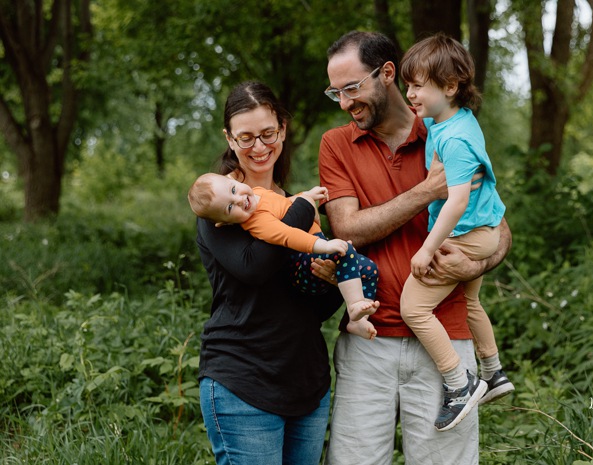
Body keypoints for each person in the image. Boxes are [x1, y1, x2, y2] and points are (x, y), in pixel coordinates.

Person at [314, 31, 512, 464]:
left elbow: (497, 225)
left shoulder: (447, 128)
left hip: (446, 339)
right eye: (337, 92)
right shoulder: (337, 144)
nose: (345, 102)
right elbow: (347, 228)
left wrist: (474, 263)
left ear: (386, 74)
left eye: (352, 88)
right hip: (368, 342)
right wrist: (426, 191)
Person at [194, 80, 344, 465]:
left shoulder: (291, 202)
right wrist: (302, 210)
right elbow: (256, 267)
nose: (259, 148)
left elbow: (317, 304)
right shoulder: (220, 205)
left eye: (267, 134)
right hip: (243, 381)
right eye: (246, 138)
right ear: (229, 139)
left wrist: (329, 281)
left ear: (283, 129)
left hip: (306, 383)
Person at [398, 33, 514, 432]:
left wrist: (426, 250)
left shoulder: (458, 139)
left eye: (418, 86)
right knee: (470, 301)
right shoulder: (448, 118)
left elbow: (457, 201)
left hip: (471, 232)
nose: (410, 94)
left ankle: (459, 382)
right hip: (482, 228)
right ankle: (494, 371)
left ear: (450, 87)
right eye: (408, 84)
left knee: (412, 307)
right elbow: (418, 114)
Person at [188, 173, 379, 339]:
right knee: (344, 250)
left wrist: (306, 196)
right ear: (225, 223)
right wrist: (325, 245)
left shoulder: (259, 193)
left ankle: (359, 320)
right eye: (230, 208)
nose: (238, 199)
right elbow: (288, 235)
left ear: (234, 180)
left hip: (314, 252)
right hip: (304, 261)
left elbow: (286, 205)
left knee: (369, 269)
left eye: (233, 190)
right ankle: (354, 304)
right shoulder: (258, 222)